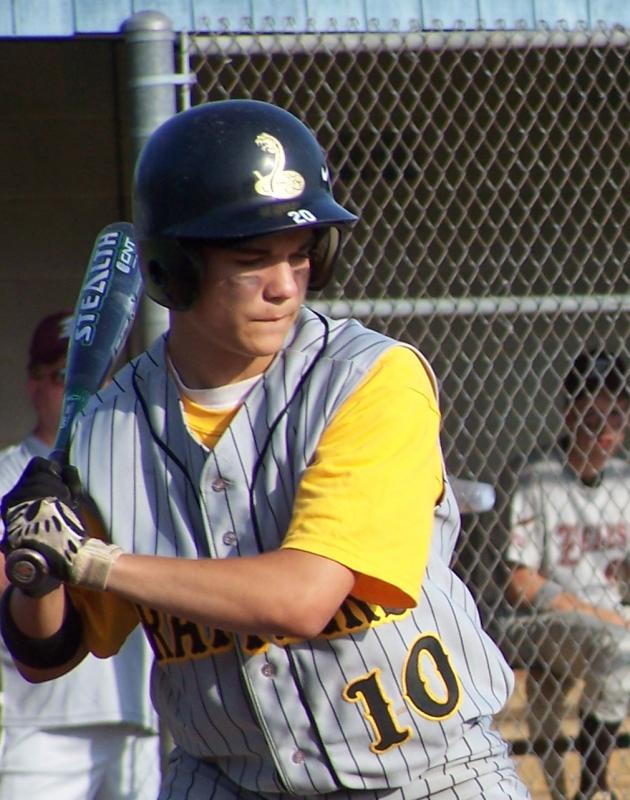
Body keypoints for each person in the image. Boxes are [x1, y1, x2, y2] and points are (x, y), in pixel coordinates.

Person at [0, 99, 529, 800]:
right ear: (174, 270)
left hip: (427, 775)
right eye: (252, 260)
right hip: (225, 780)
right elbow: (47, 651)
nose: (284, 285)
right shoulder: (109, 426)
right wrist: (37, 565)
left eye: (301, 255)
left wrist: (94, 561)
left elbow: (303, 598)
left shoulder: (370, 381)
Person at [0, 310, 162, 799]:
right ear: (34, 385)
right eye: (59, 376)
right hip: (41, 721)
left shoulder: (135, 470)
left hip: (136, 714)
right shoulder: (9, 472)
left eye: (91, 373)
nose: (77, 388)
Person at [498, 349, 630, 800]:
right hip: (550, 624)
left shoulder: (624, 478)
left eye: (617, 415)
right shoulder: (539, 477)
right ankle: (595, 790)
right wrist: (597, 612)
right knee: (620, 646)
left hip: (615, 618)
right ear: (569, 414)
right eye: (593, 416)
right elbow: (521, 581)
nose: (606, 430)